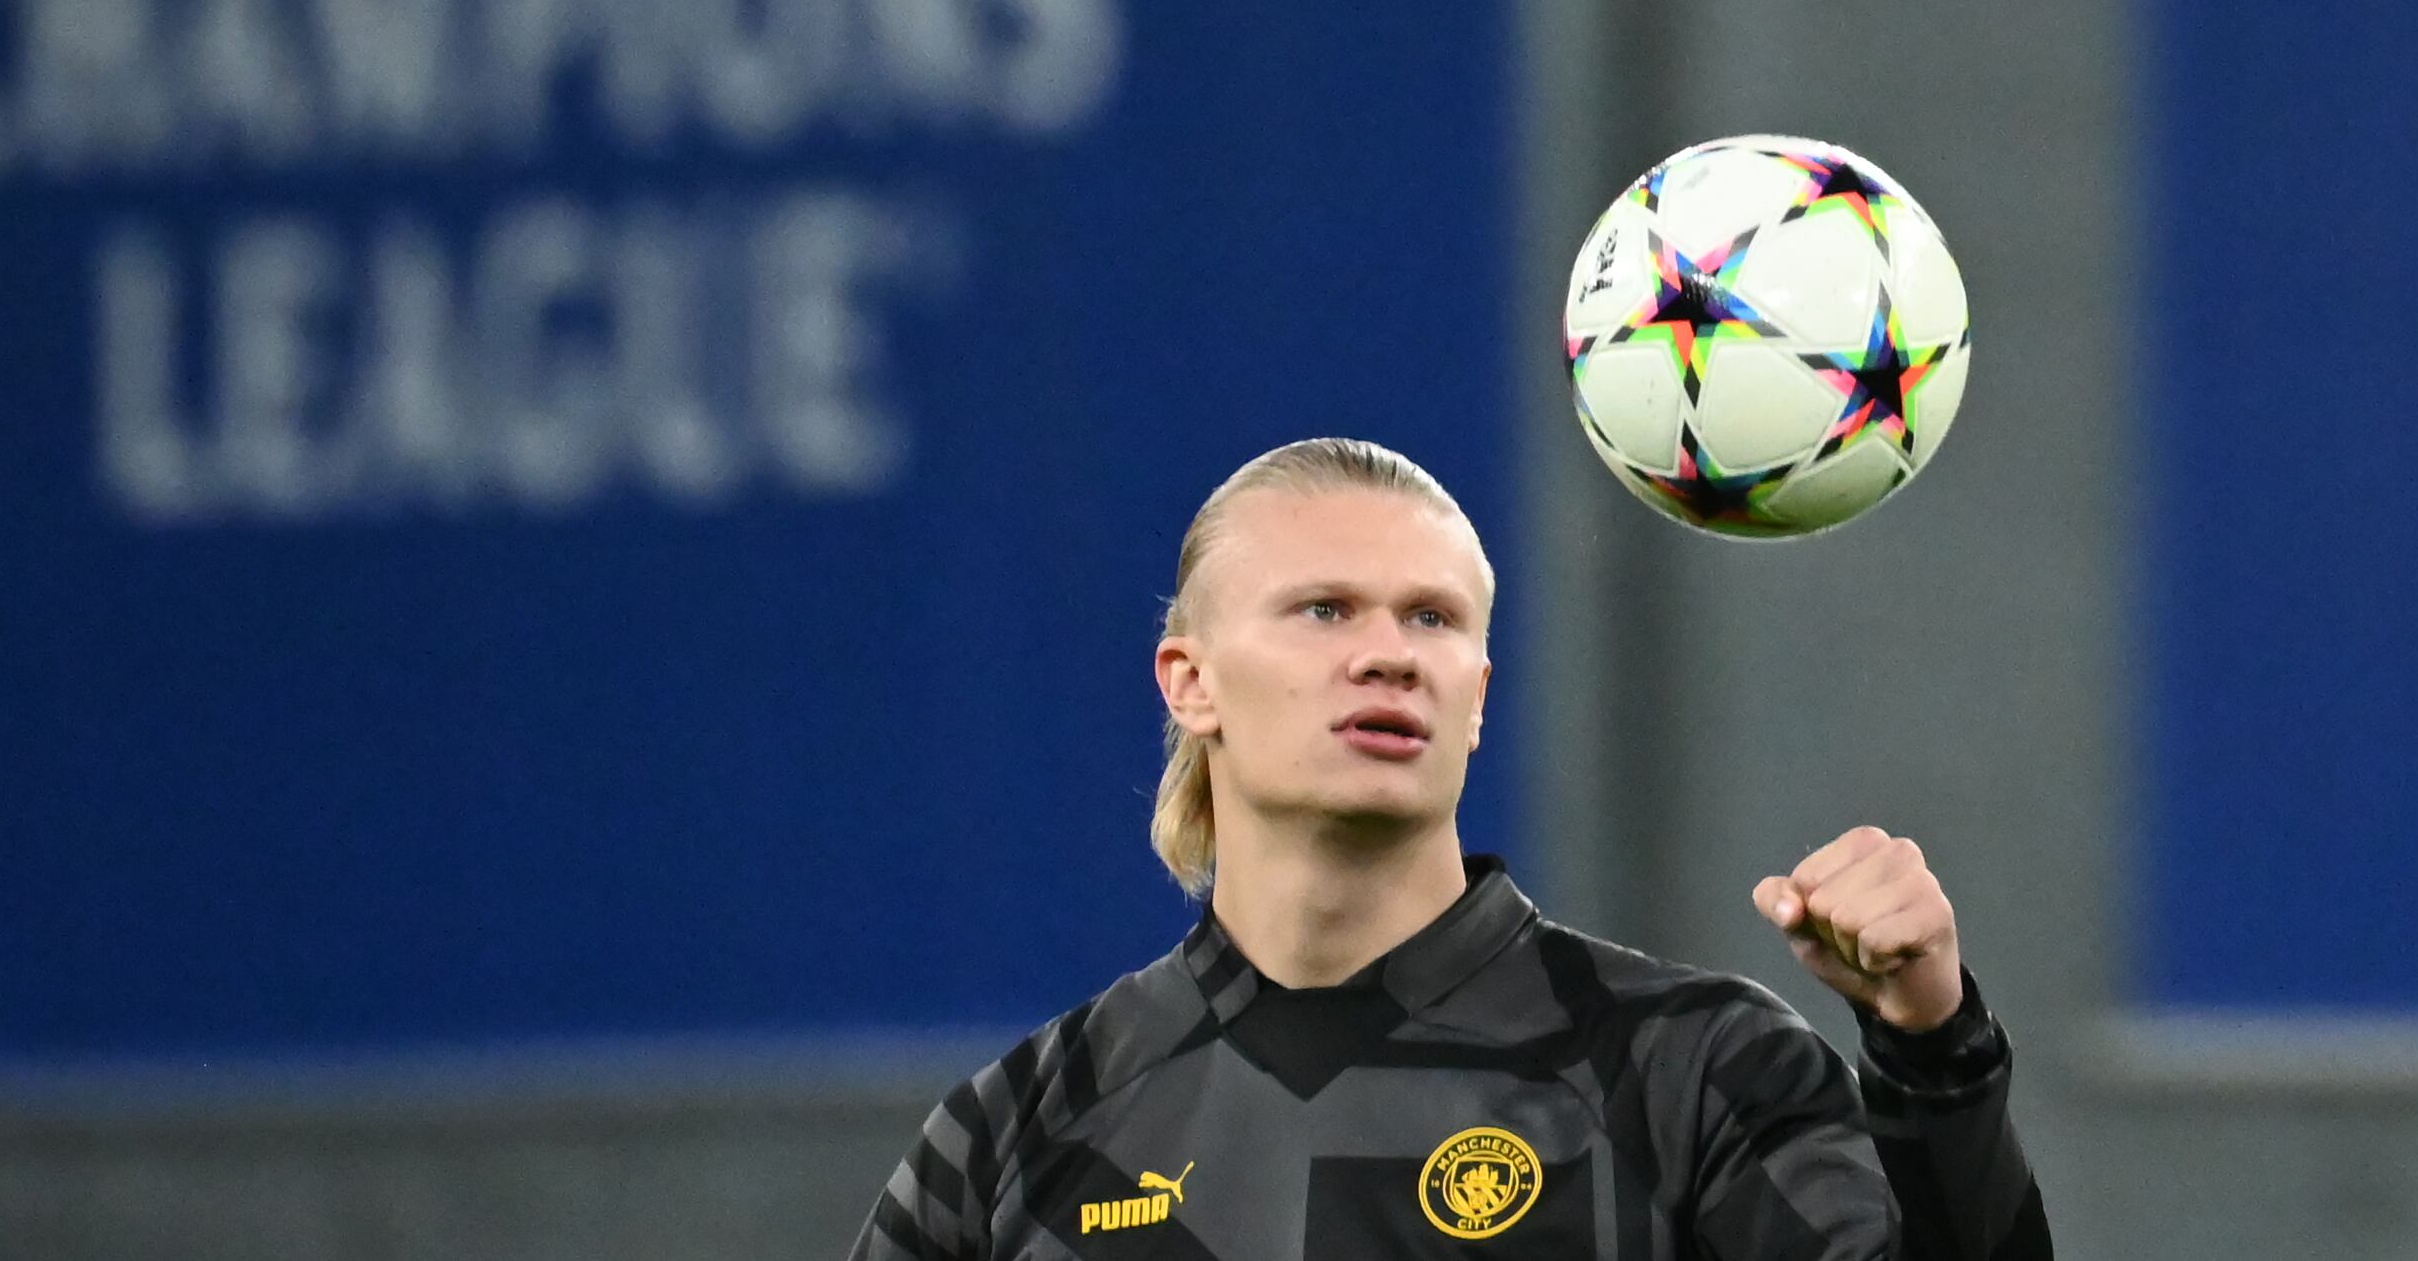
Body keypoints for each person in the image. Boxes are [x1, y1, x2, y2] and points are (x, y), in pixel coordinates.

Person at [848, 438, 2051, 1260]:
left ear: (1474, 696)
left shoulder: (1692, 1071)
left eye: (1431, 618)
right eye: (1324, 609)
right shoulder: (1015, 1133)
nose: (1388, 653)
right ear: (1189, 681)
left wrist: (1928, 1044)